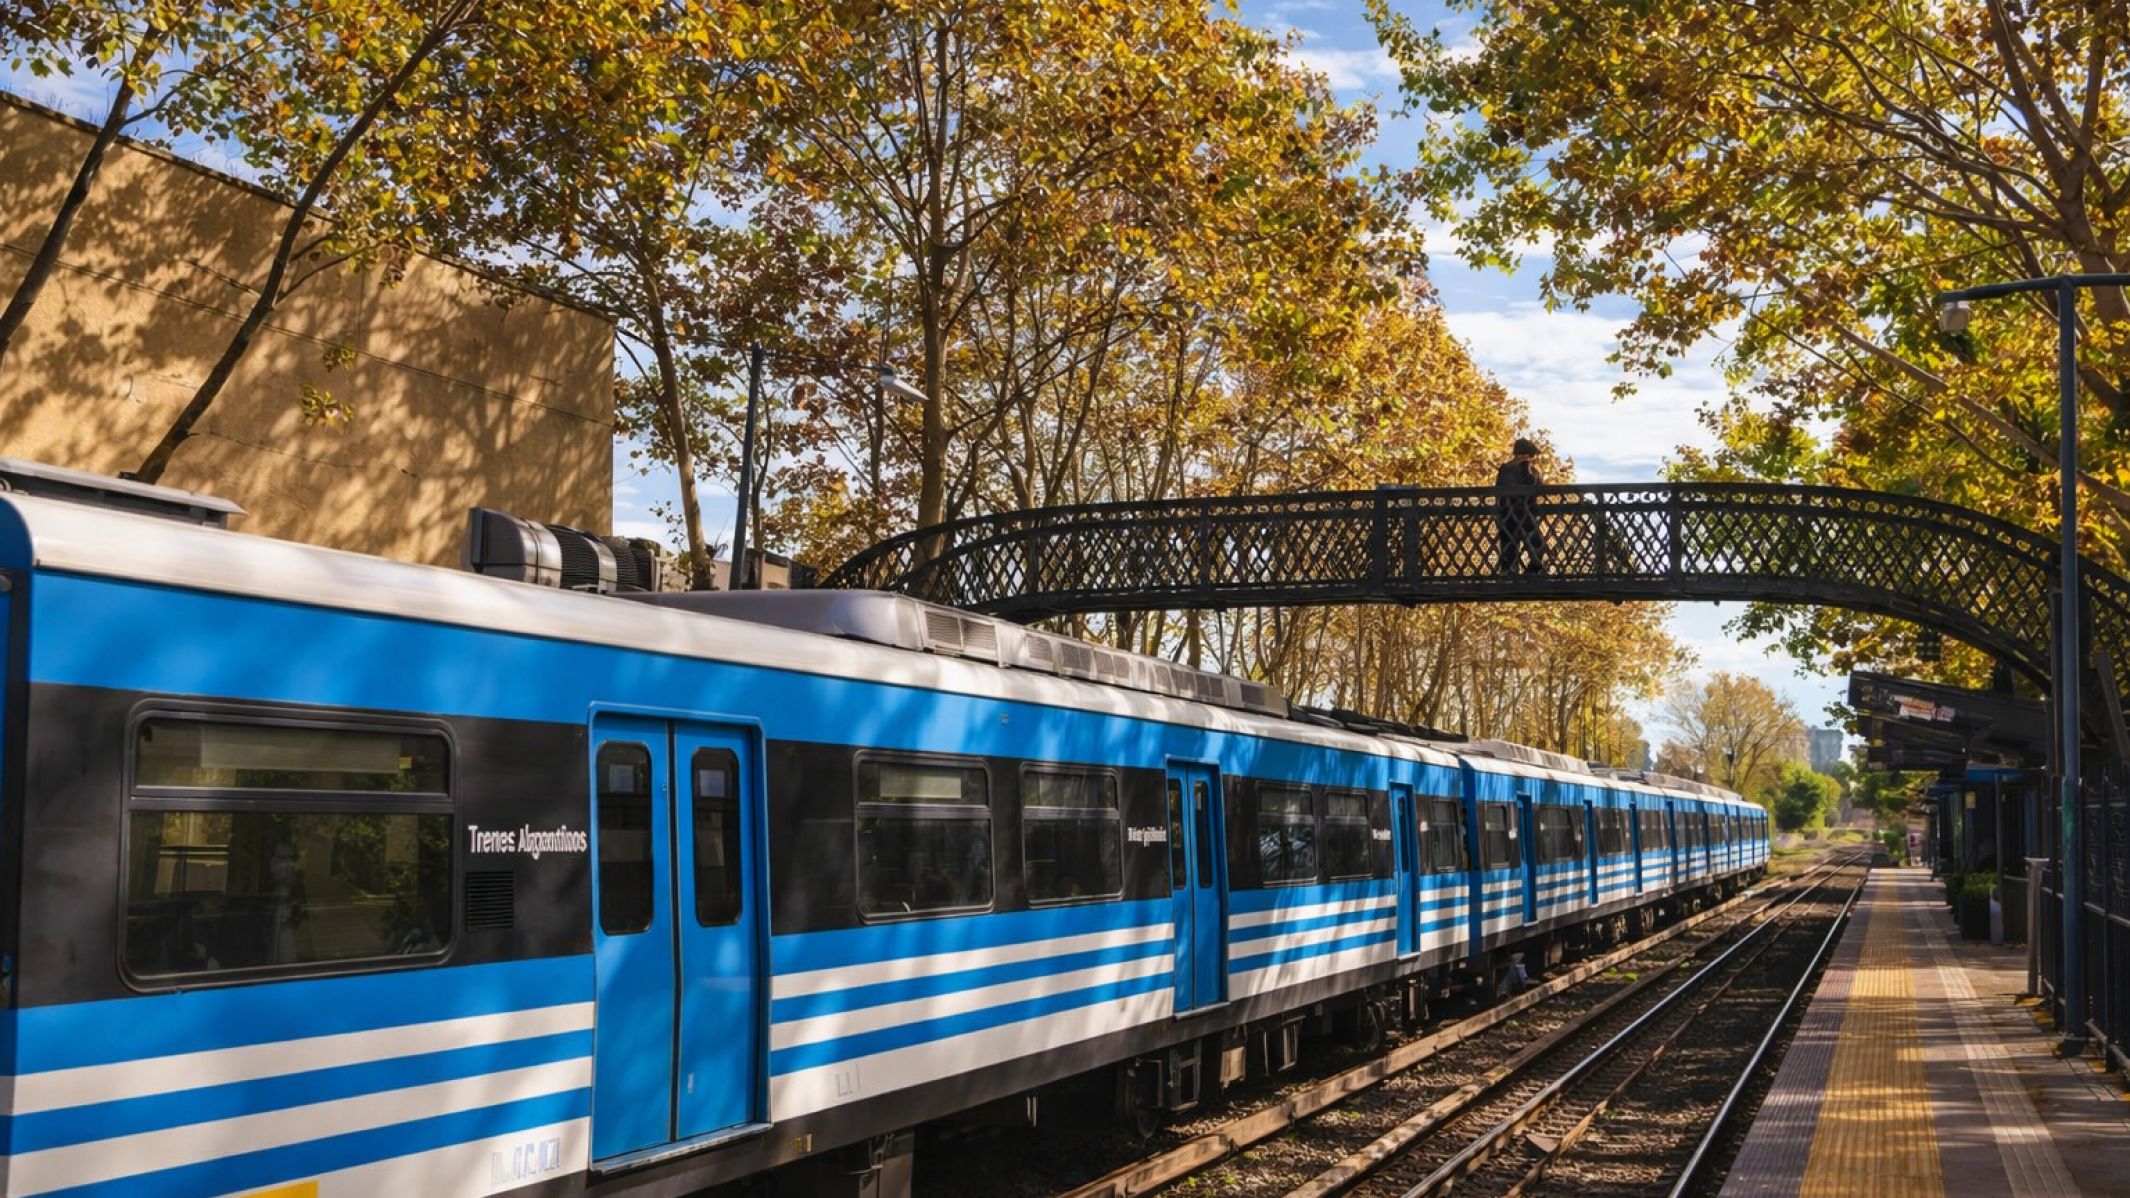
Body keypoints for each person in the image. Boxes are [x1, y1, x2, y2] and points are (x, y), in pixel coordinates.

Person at [1495, 437, 1546, 573]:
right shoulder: (1520, 468)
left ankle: (1513, 576)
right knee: (1536, 546)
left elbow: (1500, 492)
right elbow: (1536, 489)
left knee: (1509, 551)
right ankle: (1528, 575)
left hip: (1510, 515)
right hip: (1521, 515)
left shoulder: (1506, 468)